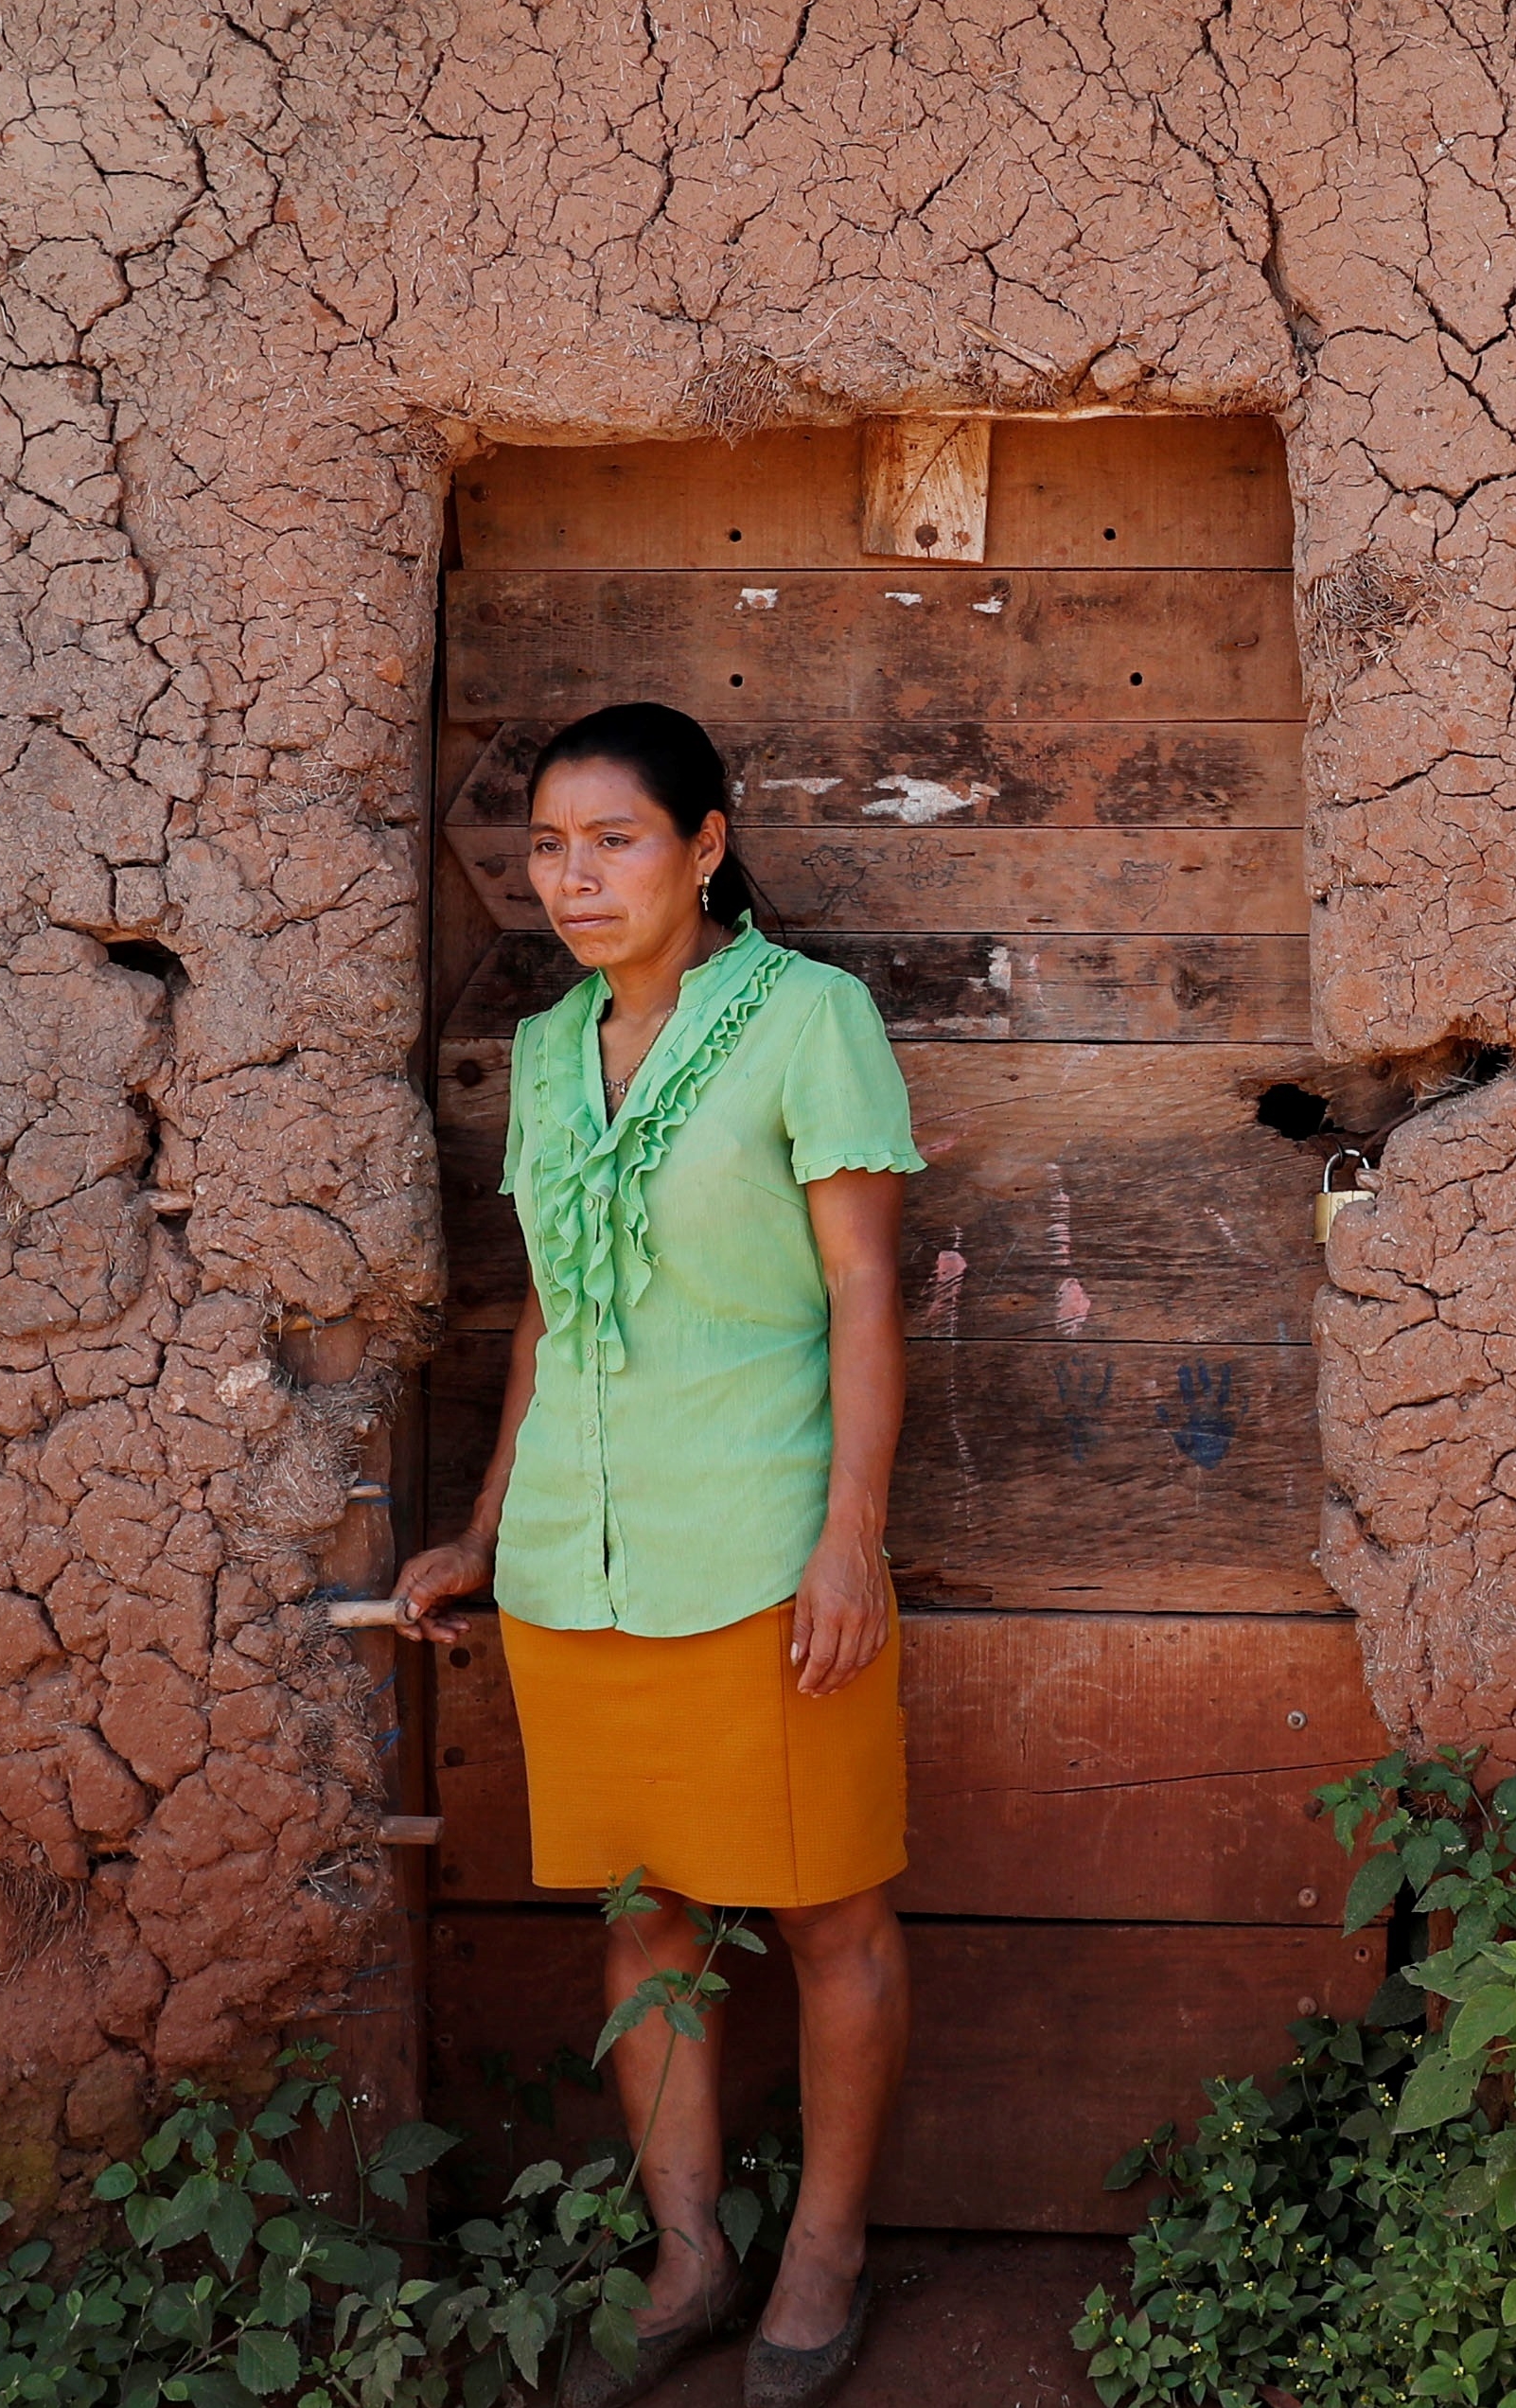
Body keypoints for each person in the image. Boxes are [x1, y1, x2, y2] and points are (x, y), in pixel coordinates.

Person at [391, 701, 919, 2408]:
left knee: (831, 1914)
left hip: (766, 1556)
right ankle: (689, 2254)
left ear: (704, 845)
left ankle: (825, 2253)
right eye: (549, 845)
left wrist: (851, 1544)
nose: (575, 875)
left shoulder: (808, 1023)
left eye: (614, 838)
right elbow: (552, 1311)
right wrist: (484, 1531)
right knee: (646, 1919)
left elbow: (860, 1294)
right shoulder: (549, 1052)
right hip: (579, 1566)